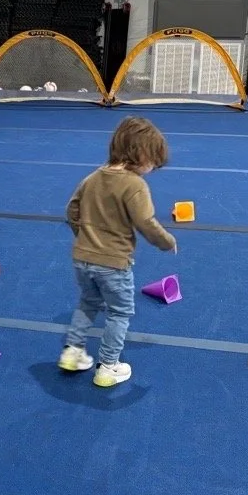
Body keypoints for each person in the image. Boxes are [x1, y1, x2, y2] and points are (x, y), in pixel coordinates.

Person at [58, 116, 177, 388]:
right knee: (119, 313)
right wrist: (166, 241)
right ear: (139, 153)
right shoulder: (134, 185)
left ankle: (73, 352)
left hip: (82, 258)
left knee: (88, 303)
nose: (153, 167)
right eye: (153, 160)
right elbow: (145, 222)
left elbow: (71, 210)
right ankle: (108, 365)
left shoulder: (93, 176)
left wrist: (85, 237)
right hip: (114, 263)